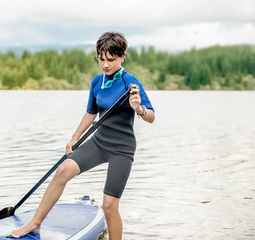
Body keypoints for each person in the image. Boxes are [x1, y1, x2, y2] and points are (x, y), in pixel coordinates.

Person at [11, 31, 155, 239]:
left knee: (109, 205)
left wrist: (138, 108)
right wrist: (74, 138)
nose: (105, 65)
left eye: (111, 60)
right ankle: (35, 223)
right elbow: (91, 112)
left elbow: (151, 117)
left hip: (121, 149)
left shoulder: (131, 83)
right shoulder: (97, 82)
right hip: (98, 142)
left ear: (122, 57)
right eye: (101, 59)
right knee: (62, 171)